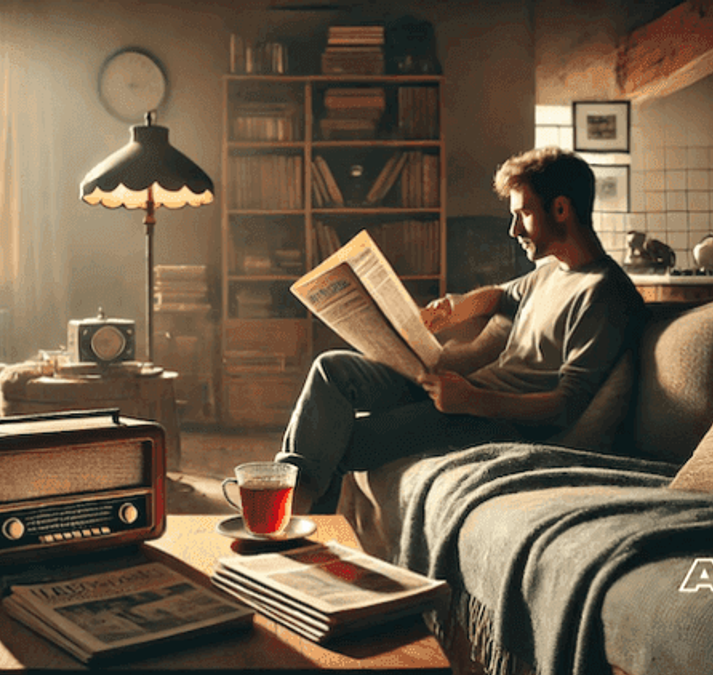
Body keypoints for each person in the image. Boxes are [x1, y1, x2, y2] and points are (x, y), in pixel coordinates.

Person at [276, 146, 647, 514]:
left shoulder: (604, 293)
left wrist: (471, 400)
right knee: (332, 369)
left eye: (524, 214)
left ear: (561, 209)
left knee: (341, 442)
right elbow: (500, 296)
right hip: (466, 392)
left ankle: (291, 517)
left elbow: (566, 406)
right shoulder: (549, 272)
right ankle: (289, 501)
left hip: (493, 420)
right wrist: (451, 311)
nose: (514, 229)